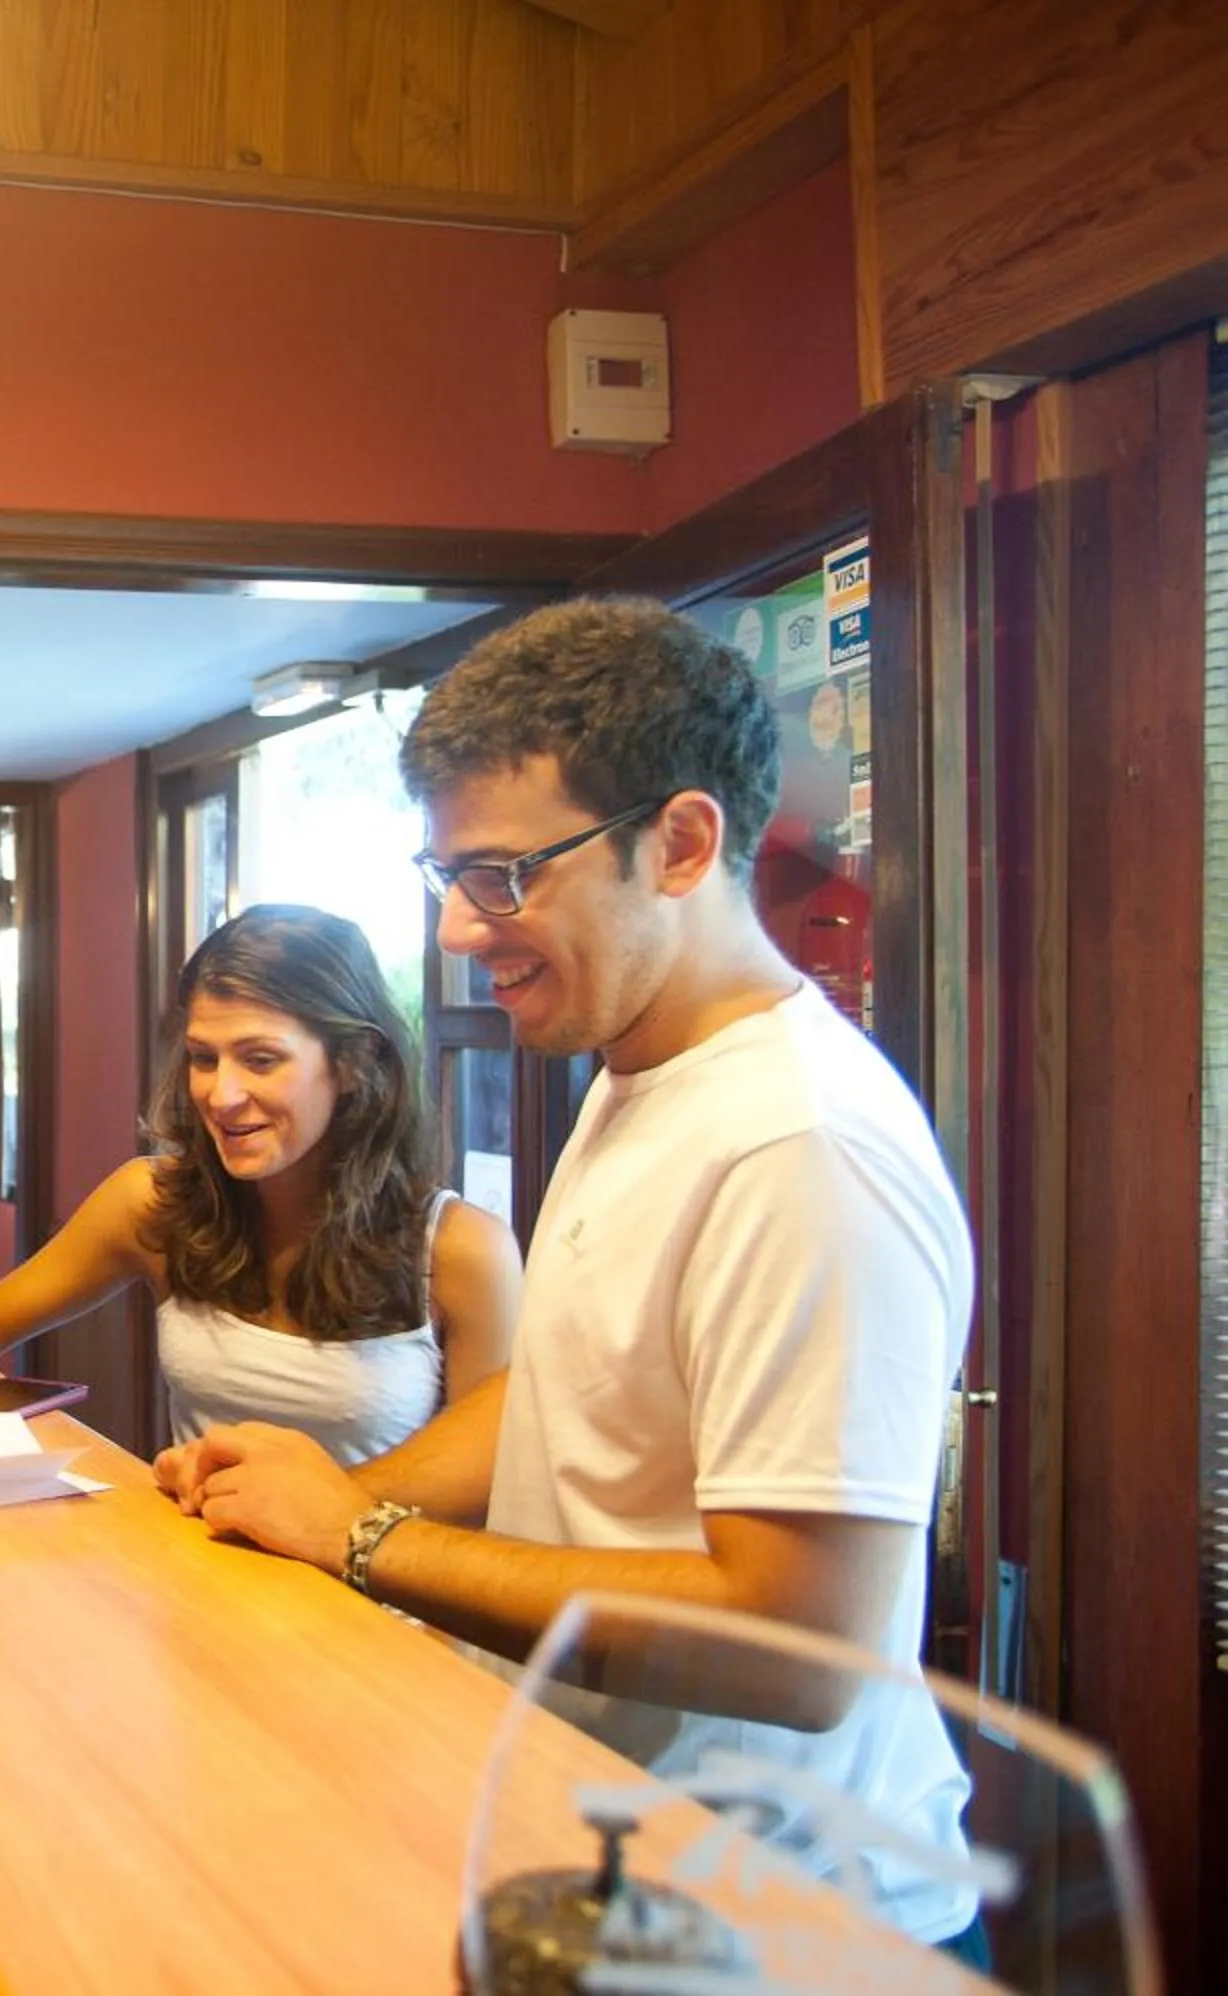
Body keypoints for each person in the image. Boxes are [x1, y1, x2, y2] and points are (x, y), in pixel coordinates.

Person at [161, 598, 980, 1950]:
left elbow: (801, 1645)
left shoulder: (800, 1145)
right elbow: (563, 1398)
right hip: (603, 1860)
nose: (459, 932)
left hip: (782, 1931)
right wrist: (327, 1497)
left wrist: (364, 1542)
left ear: (682, 844)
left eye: (504, 875)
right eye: (449, 878)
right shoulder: (635, 1076)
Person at [0, 903, 521, 1465]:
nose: (222, 1095)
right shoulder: (155, 1202)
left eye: (261, 1059)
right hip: (194, 1582)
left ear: (354, 1063)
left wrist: (339, 1521)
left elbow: (485, 1485)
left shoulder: (461, 1252)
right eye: (204, 1058)